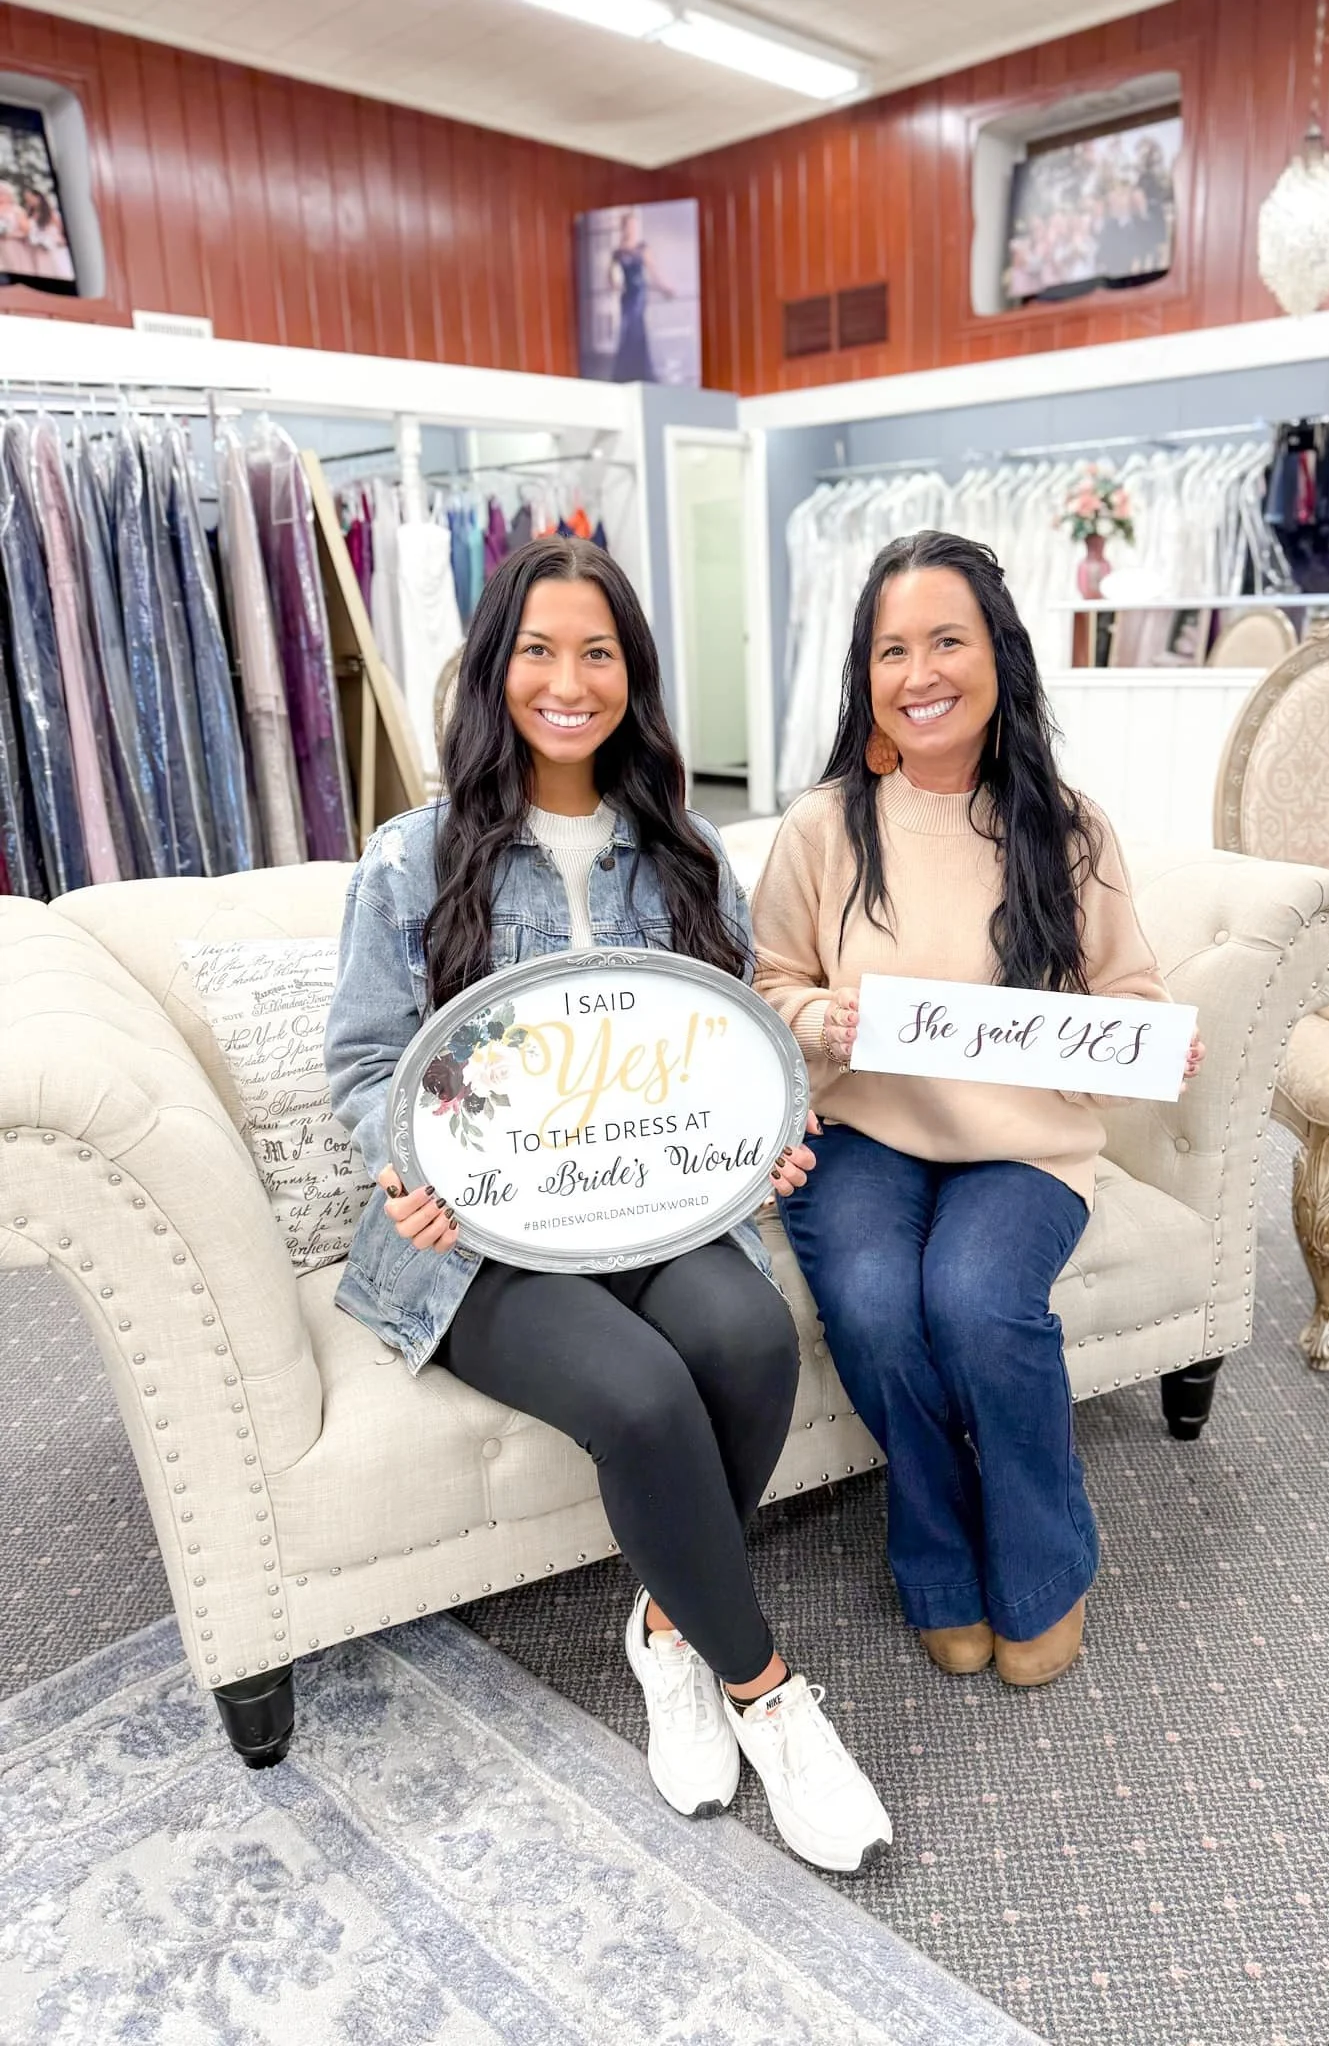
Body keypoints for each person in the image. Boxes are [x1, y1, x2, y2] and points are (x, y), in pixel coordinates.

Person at [324, 537, 891, 1875]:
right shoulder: (412, 859)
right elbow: (364, 1066)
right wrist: (411, 1170)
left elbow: (737, 1048)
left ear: (632, 675)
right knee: (641, 1396)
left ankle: (668, 1626)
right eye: (537, 651)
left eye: (597, 653)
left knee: (750, 1341)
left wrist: (767, 1143)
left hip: (649, 1212)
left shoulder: (685, 855)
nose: (567, 682)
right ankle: (769, 1695)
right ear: (494, 669)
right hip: (479, 1244)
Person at [752, 530, 1204, 1687]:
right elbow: (770, 984)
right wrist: (823, 1019)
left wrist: (1148, 1043)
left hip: (1022, 1144)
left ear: (999, 652)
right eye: (892, 650)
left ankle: (1043, 1562)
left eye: (947, 640)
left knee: (975, 1298)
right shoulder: (822, 826)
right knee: (873, 1303)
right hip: (864, 1131)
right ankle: (939, 1555)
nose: (920, 674)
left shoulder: (1068, 826)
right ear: (866, 674)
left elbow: (1130, 992)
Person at [608, 211, 673, 383]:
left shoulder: (642, 248)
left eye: (634, 226)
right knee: (626, 331)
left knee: (636, 328)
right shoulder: (618, 252)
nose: (632, 229)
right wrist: (615, 285)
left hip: (639, 295)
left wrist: (664, 288)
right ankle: (625, 373)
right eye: (629, 226)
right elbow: (610, 275)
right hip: (627, 295)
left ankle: (641, 372)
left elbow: (653, 272)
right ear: (623, 228)